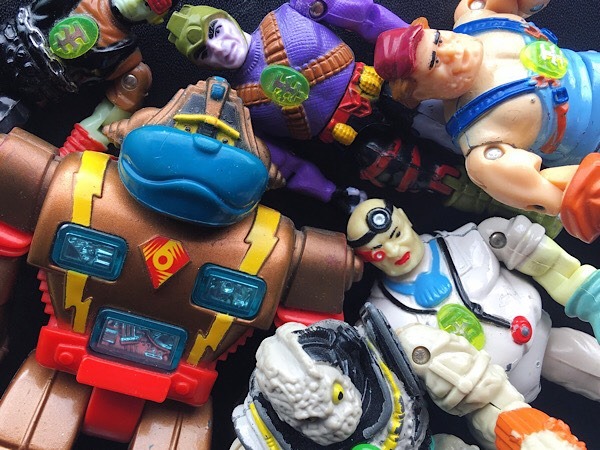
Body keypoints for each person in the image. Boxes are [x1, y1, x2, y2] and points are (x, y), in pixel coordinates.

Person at [165, 2, 484, 212]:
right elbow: (282, 161)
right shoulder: (235, 104)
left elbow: (368, 17)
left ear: (226, 19)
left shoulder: (291, 14)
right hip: (356, 141)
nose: (220, 47)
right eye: (204, 53)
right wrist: (328, 192)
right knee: (412, 172)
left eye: (215, 31)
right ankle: (481, 196)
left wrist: (416, 46)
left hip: (383, 86)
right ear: (203, 65)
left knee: (446, 115)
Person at [373, 0, 600, 241]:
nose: (453, 52)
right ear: (421, 93)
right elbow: (556, 195)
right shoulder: (481, 137)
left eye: (439, 40)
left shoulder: (477, 17)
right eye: (435, 62)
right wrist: (583, 191)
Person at [347, 199, 600, 406]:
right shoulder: (381, 316)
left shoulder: (469, 240)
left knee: (585, 360)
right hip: (491, 400)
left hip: (541, 342)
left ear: (404, 218)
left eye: (397, 235)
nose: (394, 251)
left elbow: (555, 268)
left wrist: (592, 299)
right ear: (364, 259)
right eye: (378, 251)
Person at [230, 304, 586, 449]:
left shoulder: (401, 350)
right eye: (310, 419)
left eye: (335, 399)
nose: (333, 423)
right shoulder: (262, 434)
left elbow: (487, 399)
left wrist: (526, 435)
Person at [0, 0, 173, 150]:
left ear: (155, 18)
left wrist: (75, 150)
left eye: (145, 4)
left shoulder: (128, 59)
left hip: (31, 93)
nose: (133, 3)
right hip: (9, 40)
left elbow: (111, 115)